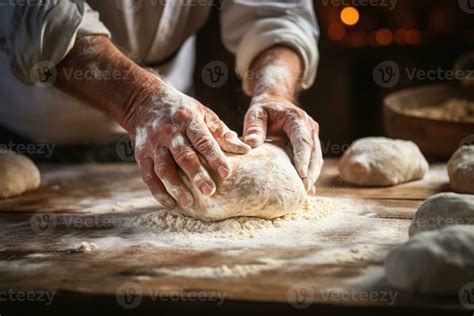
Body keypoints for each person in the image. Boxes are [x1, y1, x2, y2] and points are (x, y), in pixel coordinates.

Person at [0, 0, 323, 209]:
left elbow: (275, 11)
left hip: (166, 134)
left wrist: (274, 90)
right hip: (26, 133)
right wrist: (140, 100)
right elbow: (37, 15)